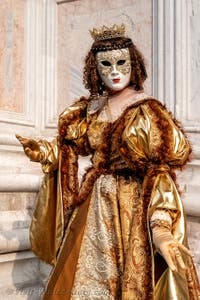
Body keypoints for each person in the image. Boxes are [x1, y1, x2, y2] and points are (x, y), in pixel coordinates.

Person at [16, 24, 200, 300]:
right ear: (95, 68)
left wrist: (161, 228)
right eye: (106, 64)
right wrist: (44, 152)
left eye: (121, 62)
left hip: (131, 208)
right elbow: (70, 150)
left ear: (133, 63)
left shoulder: (146, 110)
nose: (114, 70)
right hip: (92, 207)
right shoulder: (90, 110)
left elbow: (159, 174)